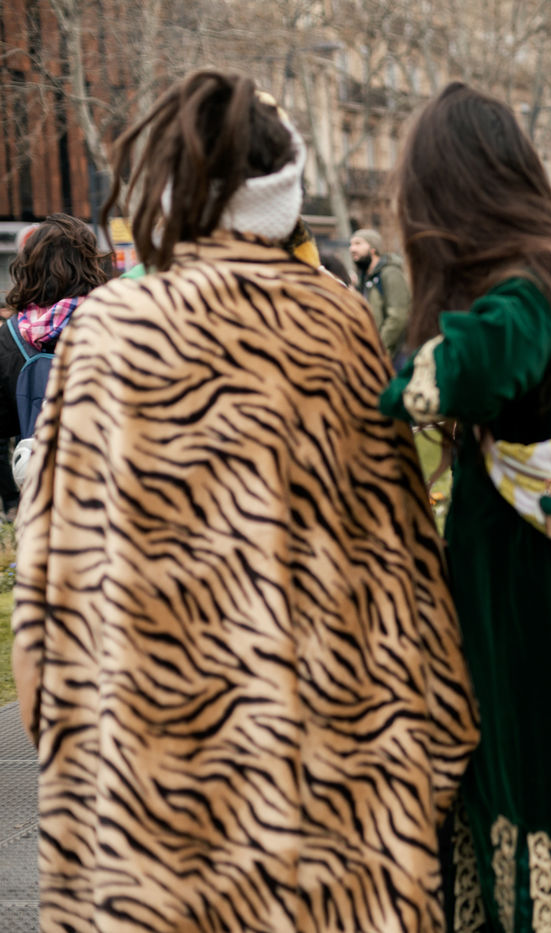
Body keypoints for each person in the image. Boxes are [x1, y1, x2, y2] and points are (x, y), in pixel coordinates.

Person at [12, 71, 477, 932]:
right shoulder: (336, 323)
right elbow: (404, 577)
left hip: (150, 808)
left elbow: (46, 596)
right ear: (285, 189)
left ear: (167, 188)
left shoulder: (109, 334)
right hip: (325, 798)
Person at [381, 82, 551, 930]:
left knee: (549, 839)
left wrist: (377, 392)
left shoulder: (537, 281)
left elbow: (477, 361)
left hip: (535, 620)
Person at [0, 212, 110, 514]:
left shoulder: (9, 337)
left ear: (29, 267)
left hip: (46, 496)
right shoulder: (114, 322)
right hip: (110, 480)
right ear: (88, 262)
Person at [349, 227, 411, 361]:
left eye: (358, 243)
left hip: (393, 356)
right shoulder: (364, 279)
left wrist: (378, 349)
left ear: (373, 249)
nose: (352, 249)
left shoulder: (390, 273)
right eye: (351, 244)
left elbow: (398, 317)